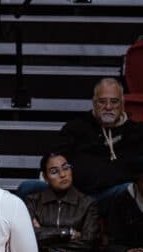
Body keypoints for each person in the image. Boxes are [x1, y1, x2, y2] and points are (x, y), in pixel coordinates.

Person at [17, 78, 143, 214]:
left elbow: (135, 170)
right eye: (102, 102)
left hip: (108, 197)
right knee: (27, 188)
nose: (108, 107)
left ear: (123, 104)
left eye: (114, 101)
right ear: (94, 103)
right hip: (71, 194)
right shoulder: (76, 127)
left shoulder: (136, 133)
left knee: (128, 191)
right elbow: (50, 161)